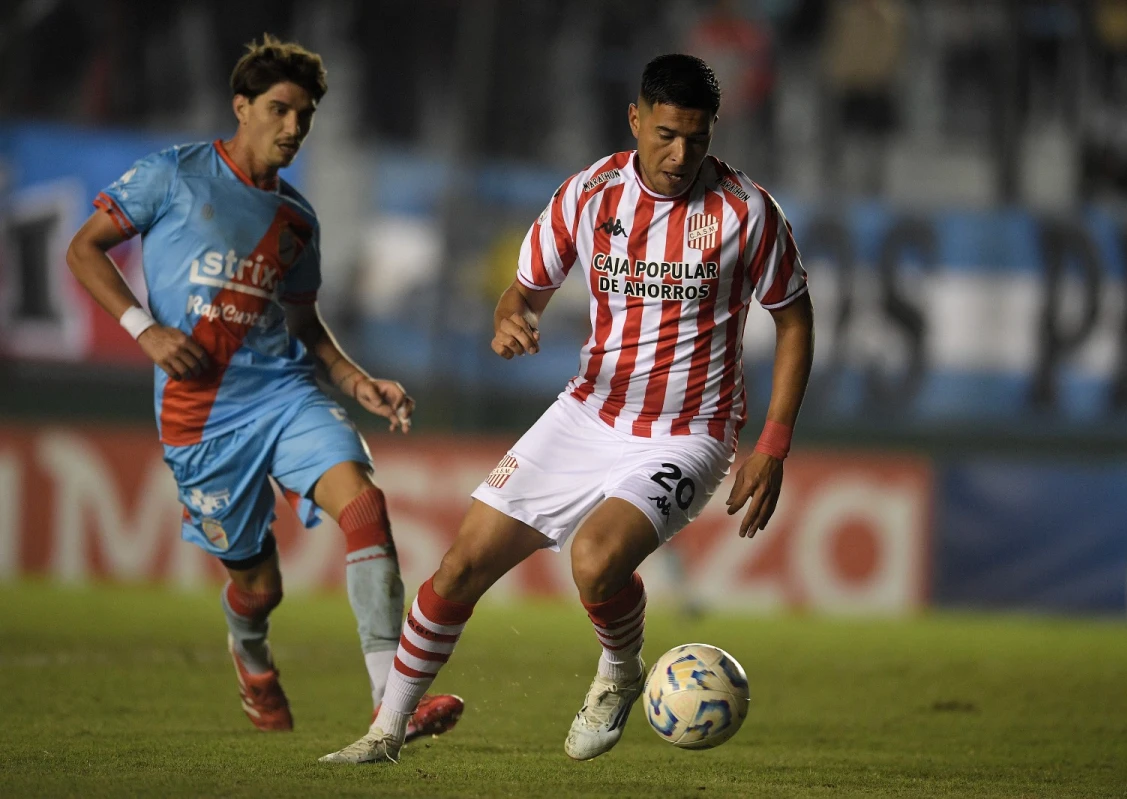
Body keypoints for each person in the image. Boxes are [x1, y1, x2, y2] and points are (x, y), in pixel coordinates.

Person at [321, 52, 813, 764]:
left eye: (698, 138)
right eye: (667, 134)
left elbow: (795, 319)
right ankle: (384, 732)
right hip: (587, 412)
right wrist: (510, 318)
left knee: (594, 559)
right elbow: (522, 290)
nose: (681, 155)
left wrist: (773, 441)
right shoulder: (589, 194)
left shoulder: (746, 212)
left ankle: (618, 669)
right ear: (635, 119)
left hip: (688, 433)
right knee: (460, 566)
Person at [65, 34, 463, 740]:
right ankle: (250, 658)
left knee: (366, 506)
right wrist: (143, 328)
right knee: (260, 585)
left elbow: (306, 323)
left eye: (304, 116)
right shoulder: (174, 175)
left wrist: (355, 378)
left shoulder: (298, 220)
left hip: (283, 393)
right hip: (200, 415)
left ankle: (389, 703)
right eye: (280, 109)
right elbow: (83, 247)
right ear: (240, 106)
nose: (293, 128)